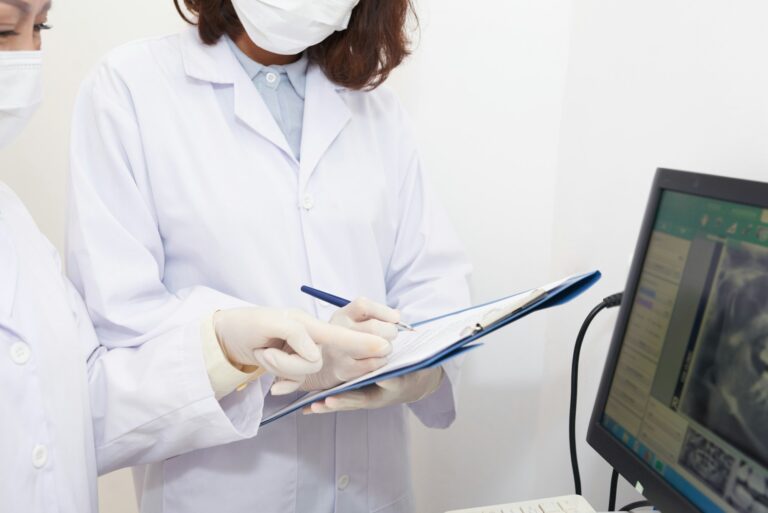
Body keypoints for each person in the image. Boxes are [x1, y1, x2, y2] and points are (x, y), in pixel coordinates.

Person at [67, 0, 472, 511]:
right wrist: (246, 354)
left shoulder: (377, 110)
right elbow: (120, 325)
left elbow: (431, 275)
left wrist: (421, 367)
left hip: (372, 491)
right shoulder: (128, 90)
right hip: (222, 488)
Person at [1, 1, 388, 511]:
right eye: (7, 27)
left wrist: (226, 349)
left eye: (40, 27)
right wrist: (232, 347)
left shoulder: (16, 231)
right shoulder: (131, 87)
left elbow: (74, 409)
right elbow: (119, 327)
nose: (30, 54)